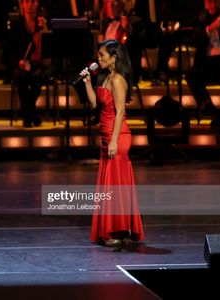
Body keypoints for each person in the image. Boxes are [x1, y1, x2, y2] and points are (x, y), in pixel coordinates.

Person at [80, 39, 144, 247]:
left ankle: (119, 229)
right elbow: (95, 104)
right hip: (107, 136)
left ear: (114, 57)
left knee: (116, 184)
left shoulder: (118, 81)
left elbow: (120, 113)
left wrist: (115, 141)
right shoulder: (107, 77)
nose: (98, 59)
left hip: (118, 137)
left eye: (102, 55)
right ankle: (114, 228)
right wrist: (88, 84)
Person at [2, 0, 52, 127]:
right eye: (27, 2)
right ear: (22, 4)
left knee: (38, 76)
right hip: (20, 66)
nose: (29, 5)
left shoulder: (42, 25)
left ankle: (27, 115)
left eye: (33, 2)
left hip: (38, 66)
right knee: (20, 76)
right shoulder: (15, 26)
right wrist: (19, 62)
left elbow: (47, 52)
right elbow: (8, 51)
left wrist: (44, 31)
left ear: (37, 4)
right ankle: (31, 115)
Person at [186, 0, 220, 129]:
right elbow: (194, 38)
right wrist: (211, 28)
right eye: (210, 1)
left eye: (216, 1)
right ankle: (211, 111)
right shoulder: (201, 18)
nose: (213, 5)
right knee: (191, 75)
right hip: (206, 63)